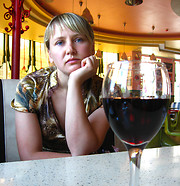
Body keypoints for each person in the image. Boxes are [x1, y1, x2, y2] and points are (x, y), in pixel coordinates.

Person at [11, 12, 110, 161]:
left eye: (78, 39)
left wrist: (74, 82)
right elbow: (29, 155)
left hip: (93, 174)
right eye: (60, 42)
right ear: (50, 54)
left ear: (92, 48)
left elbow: (81, 147)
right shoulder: (30, 87)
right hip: (44, 173)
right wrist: (80, 161)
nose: (70, 49)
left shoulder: (105, 90)